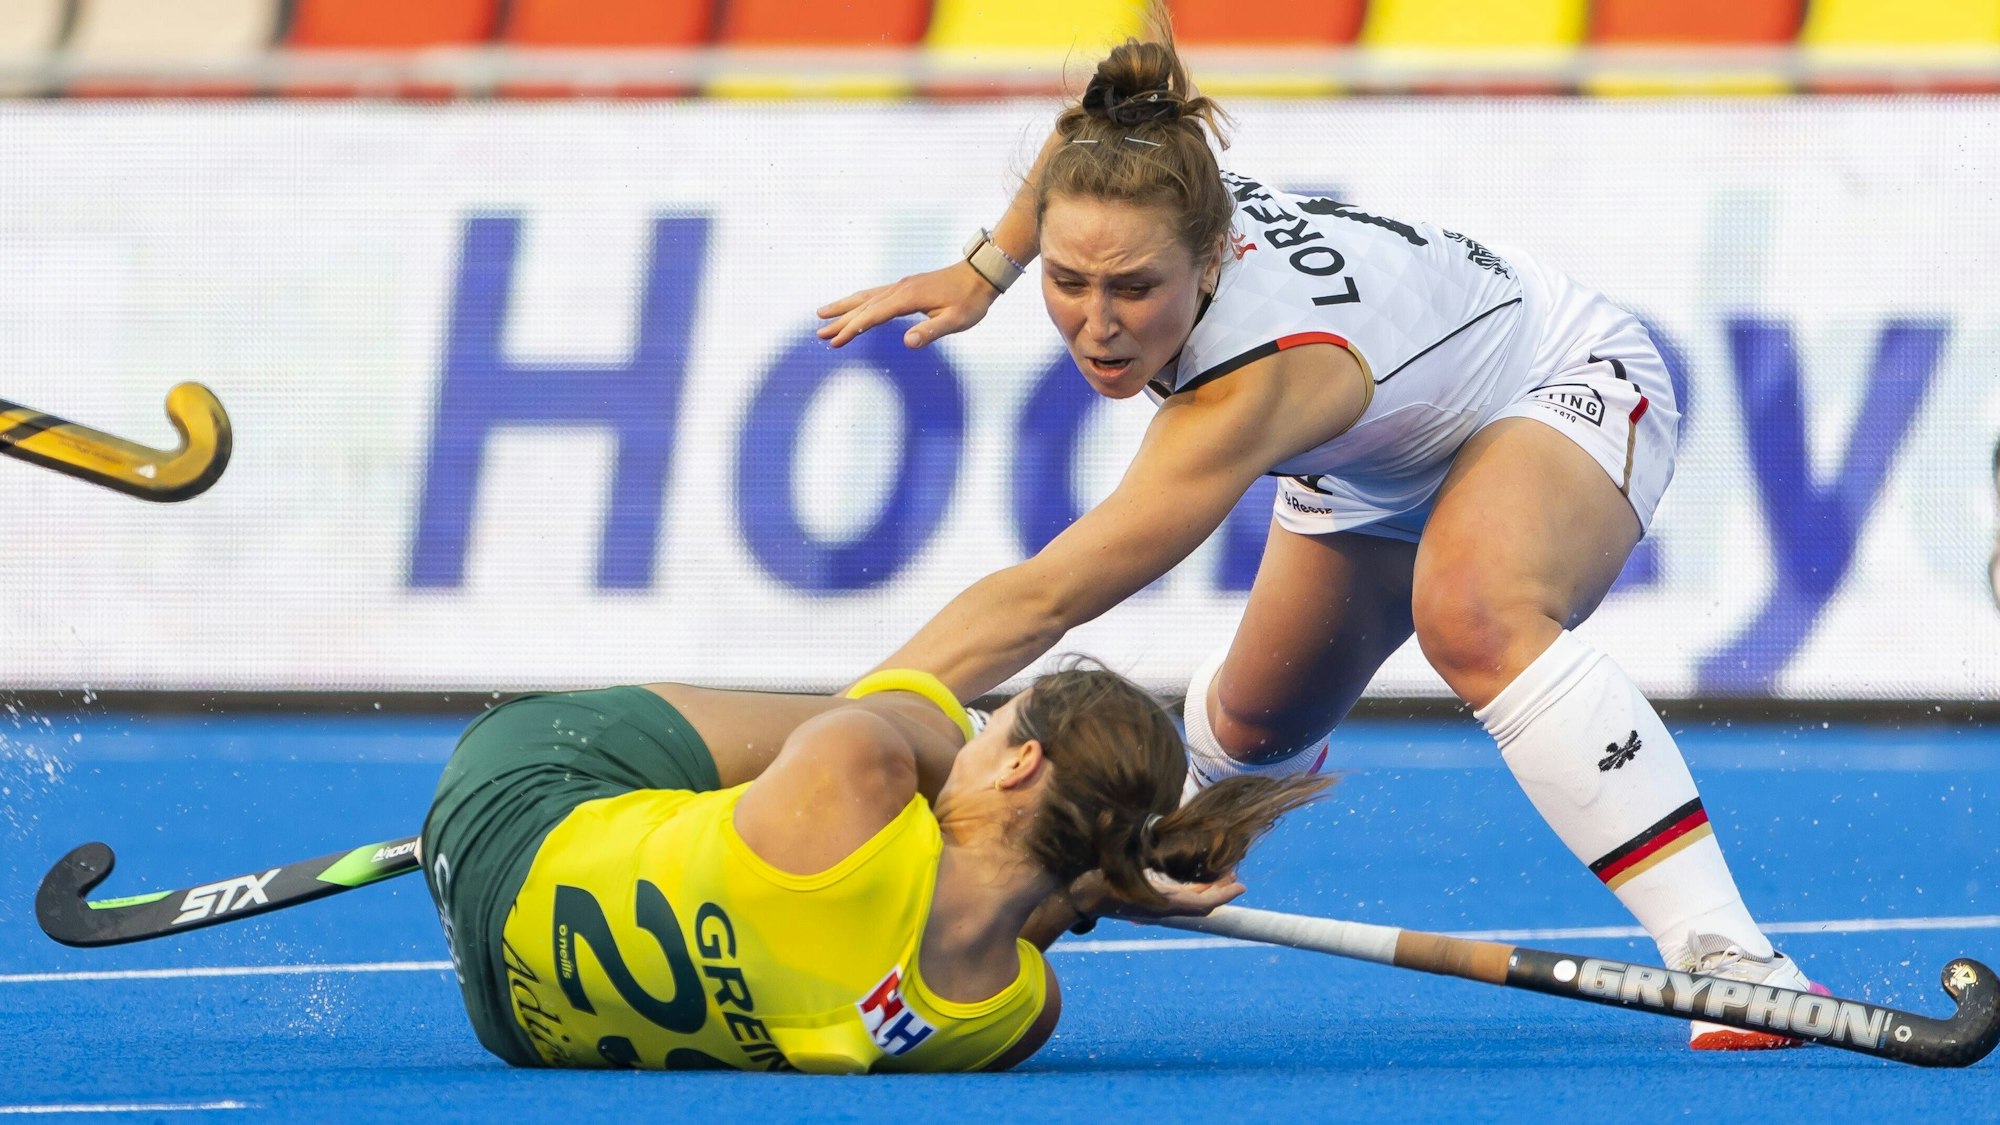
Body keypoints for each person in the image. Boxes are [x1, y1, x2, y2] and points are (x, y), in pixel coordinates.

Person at [816, 23, 1824, 1050]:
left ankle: (1730, 957)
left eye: (1133, 290)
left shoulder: (1249, 383)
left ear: (1210, 259)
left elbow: (1041, 601)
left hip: (1555, 378)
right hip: (1370, 455)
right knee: (1246, 737)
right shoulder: (1145, 177)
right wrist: (985, 270)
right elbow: (1082, 140)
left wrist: (840, 740)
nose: (1097, 323)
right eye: (1067, 282)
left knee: (1470, 612)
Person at [418, 662, 1327, 1073]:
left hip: (507, 815)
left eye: (1000, 725)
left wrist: (960, 746)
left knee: (896, 707)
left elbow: (903, 708)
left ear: (1021, 764)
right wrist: (1102, 874)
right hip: (523, 1027)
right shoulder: (1012, 1014)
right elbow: (1020, 912)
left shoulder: (856, 775)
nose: (984, 734)